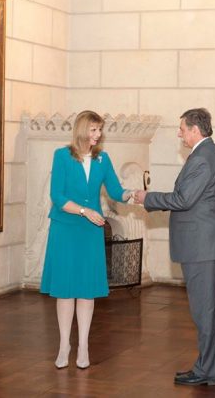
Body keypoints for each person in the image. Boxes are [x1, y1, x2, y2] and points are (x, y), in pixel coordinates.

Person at [134, 108, 215, 386]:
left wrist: (147, 197)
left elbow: (183, 199)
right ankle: (208, 369)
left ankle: (206, 371)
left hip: (202, 246)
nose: (179, 134)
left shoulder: (202, 158)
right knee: (209, 311)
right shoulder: (212, 153)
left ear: (195, 130)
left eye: (182, 129)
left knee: (204, 311)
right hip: (209, 244)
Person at [40, 110, 133, 370]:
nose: (98, 134)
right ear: (82, 130)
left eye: (100, 130)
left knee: (87, 290)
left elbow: (115, 190)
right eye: (93, 129)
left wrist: (133, 194)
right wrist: (84, 210)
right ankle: (64, 346)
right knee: (65, 290)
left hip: (90, 231)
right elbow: (57, 196)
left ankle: (83, 346)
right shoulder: (62, 156)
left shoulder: (103, 159)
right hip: (65, 229)